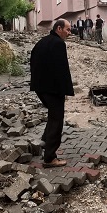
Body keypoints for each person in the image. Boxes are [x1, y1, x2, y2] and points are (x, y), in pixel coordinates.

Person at [29, 19, 74, 167]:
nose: (69, 33)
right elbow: (62, 69)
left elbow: (33, 61)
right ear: (59, 28)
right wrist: (65, 90)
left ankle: (44, 140)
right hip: (53, 89)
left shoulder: (42, 42)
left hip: (40, 87)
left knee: (52, 115)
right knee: (57, 120)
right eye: (67, 30)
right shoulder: (58, 44)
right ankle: (50, 158)